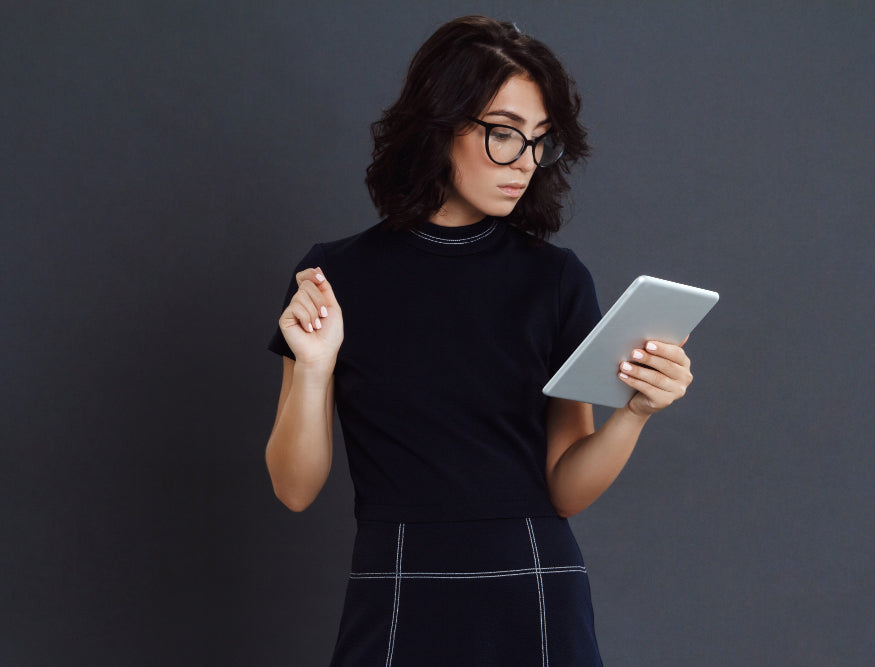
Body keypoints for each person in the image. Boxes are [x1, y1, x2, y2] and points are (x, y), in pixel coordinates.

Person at [265, 15, 693, 666]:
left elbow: (567, 489)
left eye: (538, 141)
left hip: (537, 584)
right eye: (502, 135)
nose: (523, 162)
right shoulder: (335, 275)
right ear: (439, 125)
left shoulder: (556, 280)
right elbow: (294, 489)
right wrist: (316, 368)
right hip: (398, 584)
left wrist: (636, 413)